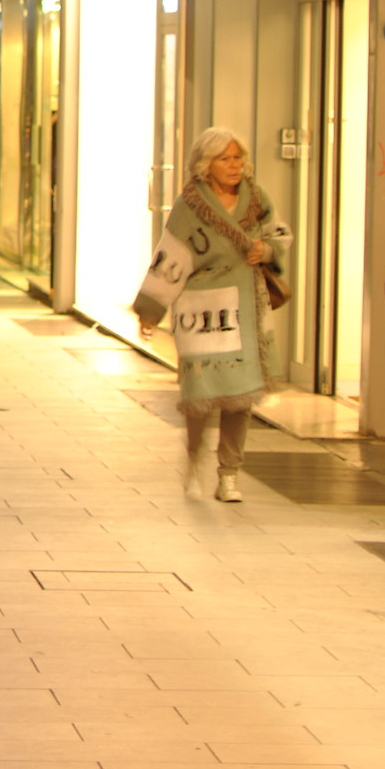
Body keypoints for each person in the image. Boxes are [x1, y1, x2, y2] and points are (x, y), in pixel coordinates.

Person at [135, 127, 284, 503]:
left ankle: (229, 473)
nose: (235, 166)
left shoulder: (256, 198)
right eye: (225, 159)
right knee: (201, 394)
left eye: (238, 158)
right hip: (201, 311)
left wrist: (265, 250)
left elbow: (280, 235)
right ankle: (193, 458)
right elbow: (170, 259)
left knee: (241, 396)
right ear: (206, 165)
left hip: (247, 306)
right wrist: (151, 309)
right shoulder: (189, 206)